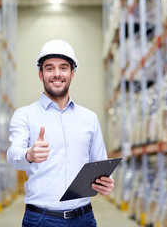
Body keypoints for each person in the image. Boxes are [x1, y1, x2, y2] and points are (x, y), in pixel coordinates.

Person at [7, 39, 114, 227]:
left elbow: (101, 164)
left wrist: (106, 182)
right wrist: (29, 154)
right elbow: (13, 155)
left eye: (63, 68)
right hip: (40, 219)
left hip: (83, 218)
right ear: (41, 74)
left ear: (72, 73)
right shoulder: (25, 115)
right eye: (50, 68)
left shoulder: (89, 118)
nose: (57, 74)